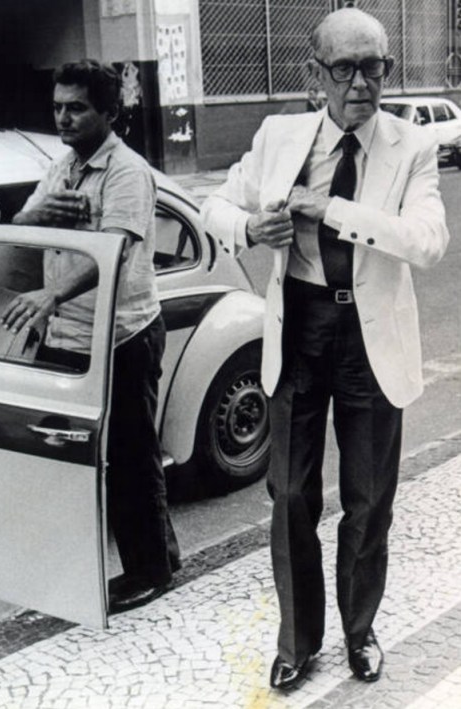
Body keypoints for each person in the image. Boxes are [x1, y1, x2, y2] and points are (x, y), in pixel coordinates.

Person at [201, 7, 449, 690]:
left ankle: (360, 629)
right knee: (290, 496)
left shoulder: (410, 146)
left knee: (369, 499)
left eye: (376, 67)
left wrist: (330, 210)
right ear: (316, 75)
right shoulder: (279, 136)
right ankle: (297, 640)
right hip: (299, 329)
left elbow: (427, 242)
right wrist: (253, 225)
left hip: (370, 341)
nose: (363, 83)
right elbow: (212, 208)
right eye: (346, 68)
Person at [1, 59, 180, 614]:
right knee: (66, 456)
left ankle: (152, 569)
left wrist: (50, 295)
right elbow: (17, 233)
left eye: (76, 107)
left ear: (108, 111)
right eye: (57, 107)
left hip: (122, 337)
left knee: (131, 457)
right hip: (67, 338)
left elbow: (117, 252)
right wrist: (35, 215)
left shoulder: (127, 172)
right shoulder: (61, 168)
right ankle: (82, 562)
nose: (64, 118)